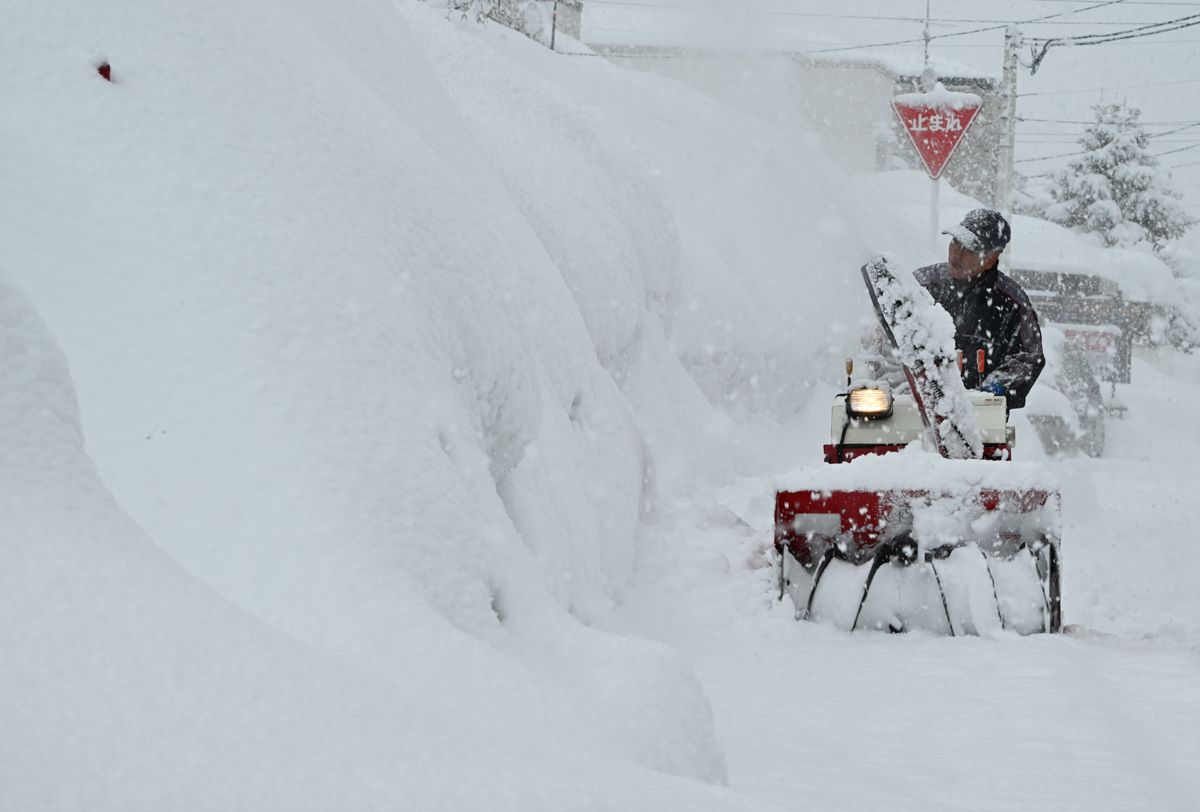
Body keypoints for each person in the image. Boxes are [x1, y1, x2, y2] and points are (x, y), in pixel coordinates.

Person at [914, 208, 1045, 411]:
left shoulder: (1012, 303)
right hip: (914, 410)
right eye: (955, 242)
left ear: (991, 258)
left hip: (980, 421)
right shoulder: (922, 286)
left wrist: (991, 389)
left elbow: (1029, 358)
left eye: (969, 249)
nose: (956, 253)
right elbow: (890, 343)